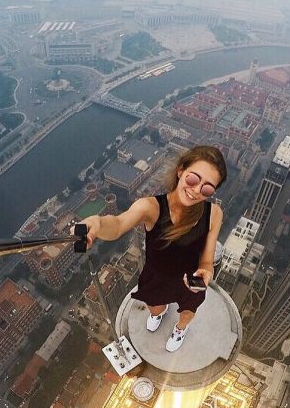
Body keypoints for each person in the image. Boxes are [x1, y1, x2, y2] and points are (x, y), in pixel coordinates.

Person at [79, 145, 226, 352]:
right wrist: (99, 223)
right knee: (155, 307)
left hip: (189, 280)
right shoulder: (151, 207)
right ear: (180, 170)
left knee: (188, 312)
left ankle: (180, 329)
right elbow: (119, 224)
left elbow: (207, 260)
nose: (196, 190)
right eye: (193, 179)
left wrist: (206, 272)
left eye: (207, 188)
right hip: (157, 276)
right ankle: (159, 312)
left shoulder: (213, 213)